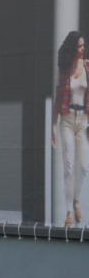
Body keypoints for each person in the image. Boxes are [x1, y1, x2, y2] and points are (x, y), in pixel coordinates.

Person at [52, 31, 88, 226]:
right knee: (68, 166)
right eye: (80, 46)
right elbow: (58, 98)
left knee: (83, 166)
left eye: (83, 46)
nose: (83, 49)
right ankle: (68, 211)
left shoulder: (88, 67)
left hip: (83, 120)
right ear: (73, 47)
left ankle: (76, 200)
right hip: (66, 118)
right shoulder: (64, 69)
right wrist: (53, 125)